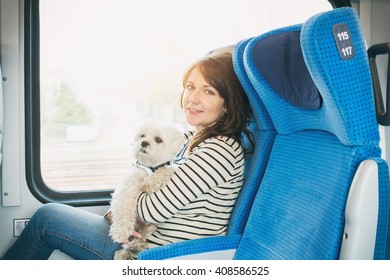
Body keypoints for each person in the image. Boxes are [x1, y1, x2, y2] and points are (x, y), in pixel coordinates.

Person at [1, 52, 254, 260]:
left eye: (208, 91)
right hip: (142, 237)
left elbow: (152, 210)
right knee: (50, 213)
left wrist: (129, 198)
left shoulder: (218, 150)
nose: (193, 98)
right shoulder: (190, 140)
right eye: (190, 87)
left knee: (47, 219)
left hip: (159, 254)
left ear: (227, 103)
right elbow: (144, 171)